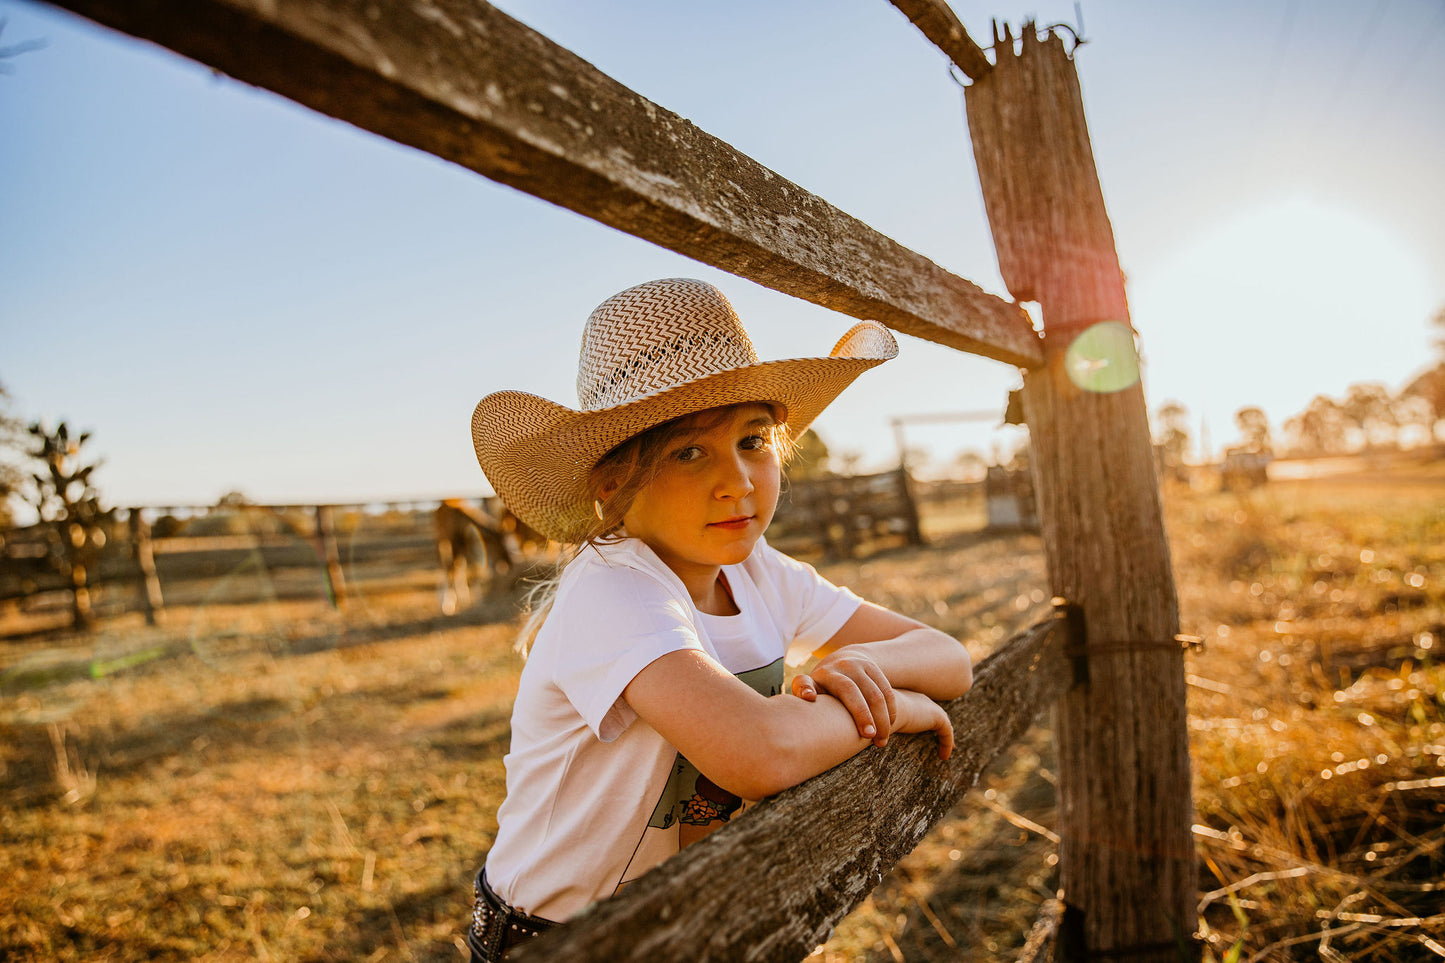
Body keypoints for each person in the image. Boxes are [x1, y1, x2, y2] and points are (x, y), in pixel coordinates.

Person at [464, 278, 973, 961]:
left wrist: (863, 669)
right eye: (688, 451)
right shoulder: (613, 588)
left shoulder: (759, 571)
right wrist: (898, 707)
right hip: (559, 941)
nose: (737, 480)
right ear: (612, 483)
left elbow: (947, 654)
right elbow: (760, 751)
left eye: (753, 440)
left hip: (688, 922)